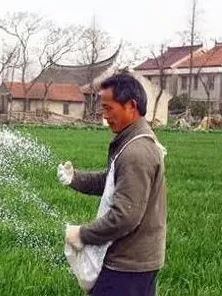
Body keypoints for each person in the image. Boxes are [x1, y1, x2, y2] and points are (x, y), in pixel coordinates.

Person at [58, 73, 167, 296]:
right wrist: (75, 178)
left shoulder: (136, 152)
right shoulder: (132, 141)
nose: (104, 115)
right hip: (137, 263)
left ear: (131, 106)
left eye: (108, 108)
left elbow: (125, 216)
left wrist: (82, 234)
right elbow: (112, 181)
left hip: (128, 265)